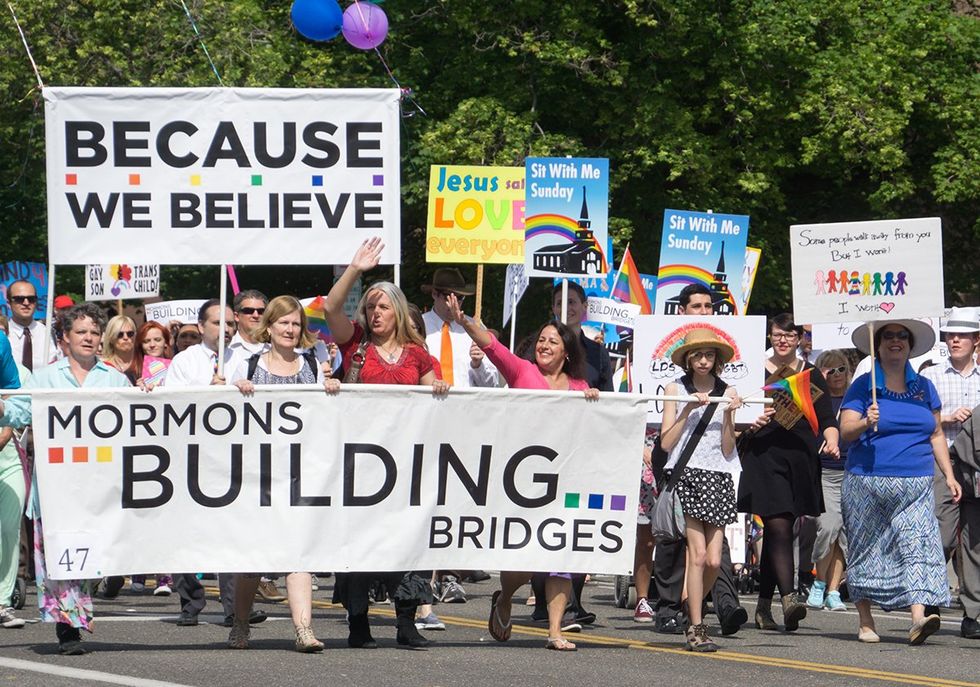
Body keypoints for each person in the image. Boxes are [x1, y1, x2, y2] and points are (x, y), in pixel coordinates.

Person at [446, 291, 600, 652]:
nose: (545, 345)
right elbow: (491, 345)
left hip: (563, 480)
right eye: (542, 340)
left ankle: (555, 630)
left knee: (561, 557)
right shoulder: (522, 370)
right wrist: (464, 319)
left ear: (567, 351)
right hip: (522, 479)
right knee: (529, 559)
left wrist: (594, 401)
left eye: (553, 341)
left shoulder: (579, 387)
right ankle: (505, 597)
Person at [324, 237, 448, 650]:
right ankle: (357, 620)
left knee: (407, 539)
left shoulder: (418, 355)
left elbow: (437, 408)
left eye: (382, 306)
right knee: (359, 541)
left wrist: (442, 392)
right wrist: (355, 269)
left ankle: (406, 621)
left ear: (397, 312)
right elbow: (329, 309)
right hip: (361, 462)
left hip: (406, 463)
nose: (375, 313)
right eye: (370, 306)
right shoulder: (355, 343)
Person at [0, 303, 130, 654]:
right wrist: (2, 407)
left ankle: (84, 602)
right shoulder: (45, 378)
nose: (89, 338)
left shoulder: (115, 378)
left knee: (94, 557)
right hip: (59, 485)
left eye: (94, 332)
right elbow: (19, 410)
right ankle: (67, 628)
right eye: (81, 332)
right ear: (64, 339)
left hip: (102, 484)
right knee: (62, 556)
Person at [840, 319, 962, 645]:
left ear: (910, 345)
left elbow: (935, 433)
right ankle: (865, 620)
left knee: (918, 545)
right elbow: (845, 430)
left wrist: (949, 475)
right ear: (877, 346)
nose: (896, 341)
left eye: (902, 336)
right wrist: (866, 421)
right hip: (867, 481)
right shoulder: (864, 386)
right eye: (889, 336)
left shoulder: (924, 386)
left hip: (917, 483)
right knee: (867, 550)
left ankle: (919, 617)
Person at [228, 295, 338, 652]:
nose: (290, 330)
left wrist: (332, 390)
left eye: (295, 323)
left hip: (299, 474)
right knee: (253, 562)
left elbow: (324, 415)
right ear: (270, 327)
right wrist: (236, 391)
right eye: (284, 323)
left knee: (299, 551)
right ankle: (240, 624)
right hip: (257, 477)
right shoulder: (247, 365)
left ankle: (303, 630)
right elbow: (221, 414)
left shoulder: (311, 365)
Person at [651, 283, 748, 637]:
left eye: (709, 354)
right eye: (698, 355)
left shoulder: (729, 391)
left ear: (717, 359)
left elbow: (727, 448)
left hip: (720, 476)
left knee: (714, 559)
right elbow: (666, 441)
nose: (704, 360)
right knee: (695, 554)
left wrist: (728, 415)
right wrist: (687, 409)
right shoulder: (675, 388)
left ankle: (689, 605)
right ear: (689, 359)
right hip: (689, 475)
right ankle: (695, 623)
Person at [163, 299, 263, 629]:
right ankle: (190, 600)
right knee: (186, 530)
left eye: (230, 323)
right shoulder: (184, 361)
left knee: (232, 530)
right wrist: (209, 392)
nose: (227, 329)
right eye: (218, 323)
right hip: (192, 455)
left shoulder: (248, 358)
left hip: (232, 454)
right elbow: (171, 406)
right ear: (202, 326)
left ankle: (235, 607)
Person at [737, 313, 839, 632]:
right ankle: (790, 597)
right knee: (779, 525)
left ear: (799, 340)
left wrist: (832, 439)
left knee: (779, 530)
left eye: (789, 335)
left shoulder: (810, 375)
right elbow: (735, 413)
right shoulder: (753, 372)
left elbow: (826, 418)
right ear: (770, 337)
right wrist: (747, 422)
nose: (782, 340)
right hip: (762, 457)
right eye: (777, 334)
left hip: (799, 459)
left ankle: (764, 606)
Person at [921, 306, 980, 635]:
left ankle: (972, 613)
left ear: (976, 341)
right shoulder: (931, 375)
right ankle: (929, 600)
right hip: (941, 462)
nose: (955, 340)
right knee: (941, 535)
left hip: (976, 464)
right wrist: (945, 419)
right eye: (950, 335)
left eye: (962, 335)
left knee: (974, 540)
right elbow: (919, 419)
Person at [805, 350, 852, 612]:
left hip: (851, 471)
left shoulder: (854, 400)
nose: (835, 375)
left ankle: (833, 590)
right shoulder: (815, 400)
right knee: (828, 527)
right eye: (829, 370)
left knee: (843, 535)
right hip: (823, 471)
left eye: (841, 369)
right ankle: (819, 582)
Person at [5, 280, 47, 371]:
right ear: (9, 303)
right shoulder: (3, 335)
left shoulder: (48, 333)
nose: (26, 303)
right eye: (19, 299)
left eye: (31, 299)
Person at [101, 315, 139, 383]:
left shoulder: (144, 364)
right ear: (111, 338)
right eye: (120, 334)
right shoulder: (103, 367)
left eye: (130, 334)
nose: (125, 338)